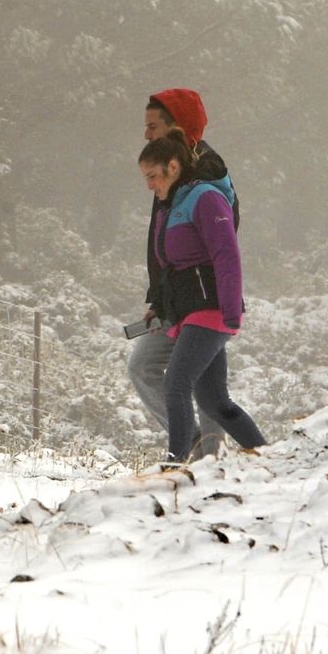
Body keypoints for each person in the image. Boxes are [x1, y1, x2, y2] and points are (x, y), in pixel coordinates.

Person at [138, 129, 266, 462]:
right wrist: (161, 306)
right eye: (145, 178)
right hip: (188, 313)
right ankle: (269, 457)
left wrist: (230, 312)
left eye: (152, 176)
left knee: (175, 384)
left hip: (211, 310)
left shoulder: (206, 198)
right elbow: (172, 267)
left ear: (173, 166)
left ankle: (176, 463)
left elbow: (227, 254)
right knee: (215, 402)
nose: (149, 185)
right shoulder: (173, 205)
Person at [127, 89, 230, 458]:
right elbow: (162, 245)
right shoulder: (169, 169)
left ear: (177, 127)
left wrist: (216, 301)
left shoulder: (206, 174)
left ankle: (210, 457)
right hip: (176, 300)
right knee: (144, 367)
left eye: (152, 126)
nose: (146, 134)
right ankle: (198, 446)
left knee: (204, 382)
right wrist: (159, 299)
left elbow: (221, 244)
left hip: (204, 301)